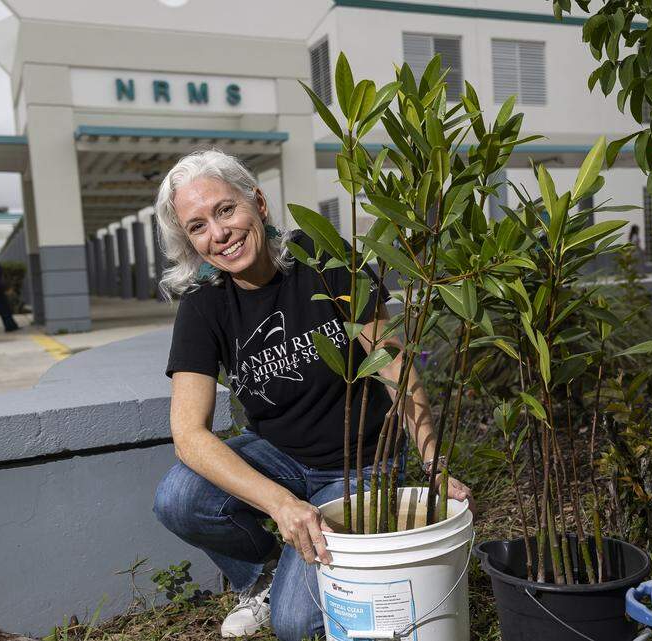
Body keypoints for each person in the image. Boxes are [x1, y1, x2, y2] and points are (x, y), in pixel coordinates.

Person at [151, 149, 474, 641]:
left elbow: (396, 368)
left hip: (360, 465)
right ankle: (262, 576)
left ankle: (294, 574)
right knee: (178, 497)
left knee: (296, 624)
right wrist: (281, 504)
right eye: (197, 227)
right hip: (278, 457)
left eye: (225, 210)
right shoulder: (205, 302)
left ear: (257, 202)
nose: (218, 234)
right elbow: (188, 436)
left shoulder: (321, 259)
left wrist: (432, 458)